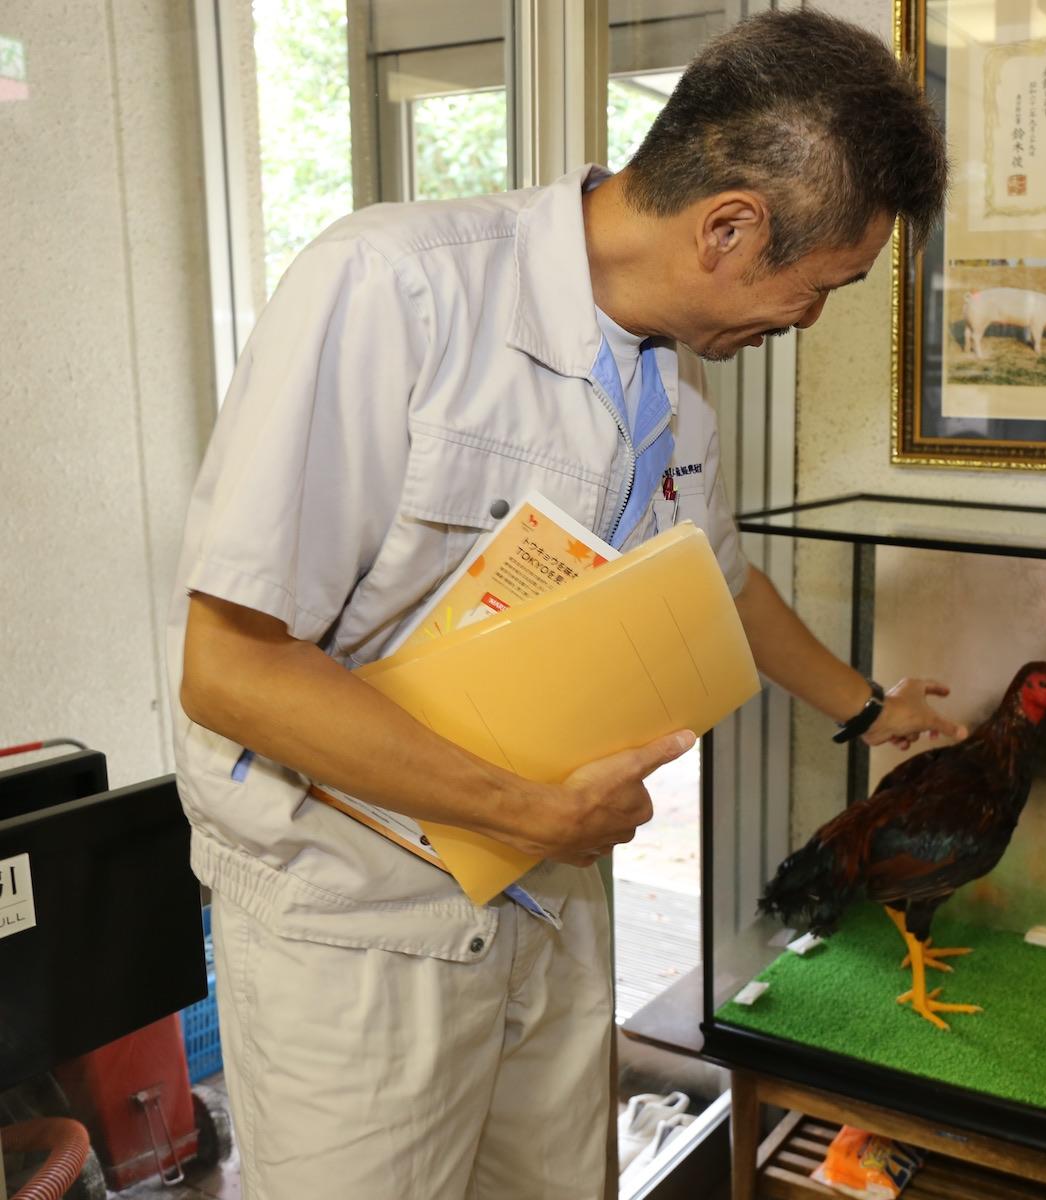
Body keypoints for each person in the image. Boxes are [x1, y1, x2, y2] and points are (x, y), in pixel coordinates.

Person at [167, 11, 951, 1198]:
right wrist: (524, 808)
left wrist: (869, 708)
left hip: (547, 894)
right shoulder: (397, 291)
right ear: (729, 227)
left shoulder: (678, 397)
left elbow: (720, 582)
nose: (809, 321)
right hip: (361, 924)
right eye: (822, 286)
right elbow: (232, 669)